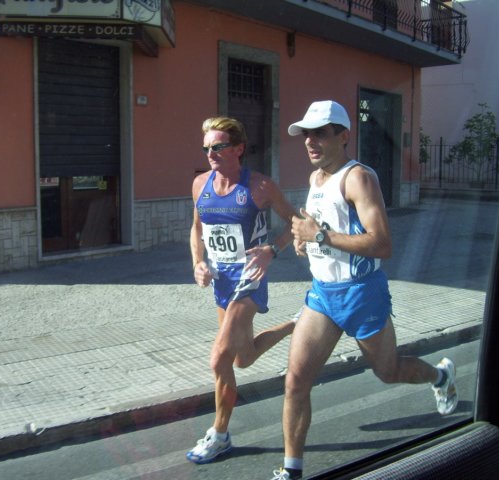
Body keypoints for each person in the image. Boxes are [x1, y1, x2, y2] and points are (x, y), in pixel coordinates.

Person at [271, 100, 458, 480]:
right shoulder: (315, 179)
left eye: (320, 133)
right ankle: (292, 471)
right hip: (323, 294)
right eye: (306, 134)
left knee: (388, 372)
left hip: (362, 293)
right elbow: (321, 230)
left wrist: (320, 235)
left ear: (343, 136)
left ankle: (441, 377)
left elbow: (382, 244)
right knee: (295, 381)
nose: (310, 141)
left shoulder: (358, 178)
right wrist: (306, 241)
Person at [187, 116, 299, 464]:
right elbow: (197, 230)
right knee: (242, 357)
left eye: (218, 147)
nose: (210, 153)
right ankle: (298, 323)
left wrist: (272, 250)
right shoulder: (199, 184)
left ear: (238, 148)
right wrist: (198, 262)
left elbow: (296, 224)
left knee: (218, 358)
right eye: (206, 148)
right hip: (221, 280)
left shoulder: (261, 187)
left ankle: (220, 434)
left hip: (250, 278)